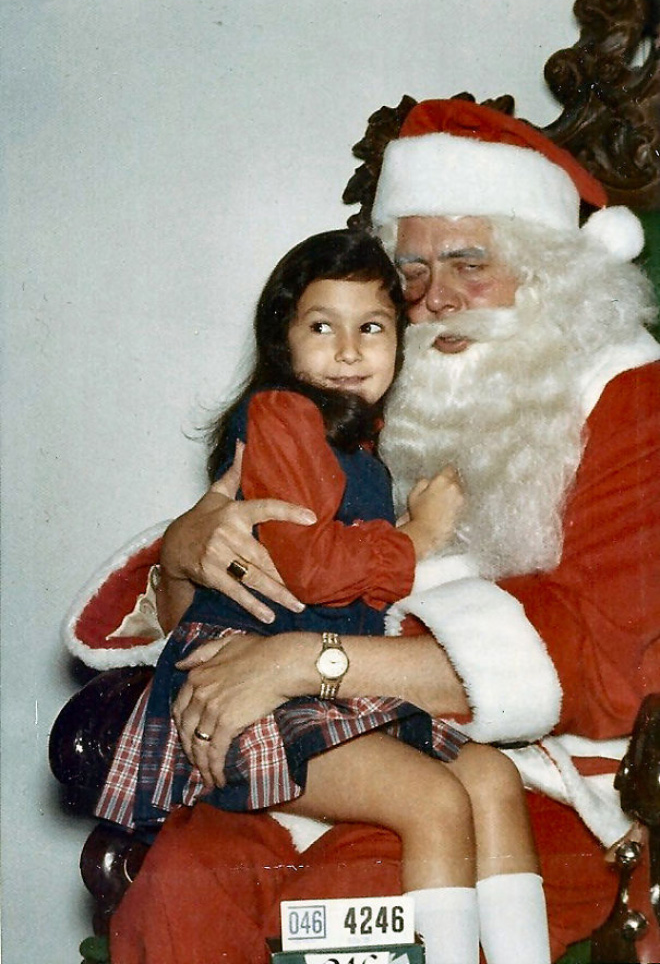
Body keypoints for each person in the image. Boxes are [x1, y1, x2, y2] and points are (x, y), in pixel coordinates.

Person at [66, 100, 660, 962]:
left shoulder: (630, 398)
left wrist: (308, 663)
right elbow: (270, 573)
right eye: (410, 273)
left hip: (547, 781)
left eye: (469, 262)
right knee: (179, 888)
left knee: (353, 900)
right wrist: (187, 553)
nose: (436, 297)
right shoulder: (386, 390)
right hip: (339, 744)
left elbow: (597, 656)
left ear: (548, 275)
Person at [98, 227, 549, 964]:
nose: (347, 351)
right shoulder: (281, 416)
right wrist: (417, 538)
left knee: (491, 776)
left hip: (319, 684)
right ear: (284, 341)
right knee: (432, 800)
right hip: (242, 687)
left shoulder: (358, 442)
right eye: (321, 327)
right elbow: (306, 567)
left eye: (371, 327)